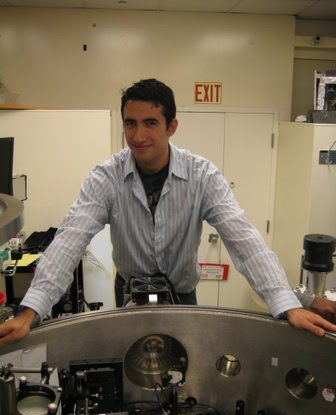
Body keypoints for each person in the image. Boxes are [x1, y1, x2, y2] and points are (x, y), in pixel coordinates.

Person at [1, 78, 336, 350]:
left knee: (186, 370)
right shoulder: (106, 177)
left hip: (183, 295)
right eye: (130, 124)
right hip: (128, 292)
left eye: (150, 123)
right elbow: (69, 241)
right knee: (130, 367)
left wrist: (287, 304)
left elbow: (244, 240)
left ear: (171, 126)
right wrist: (29, 312)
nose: (138, 136)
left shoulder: (202, 176)